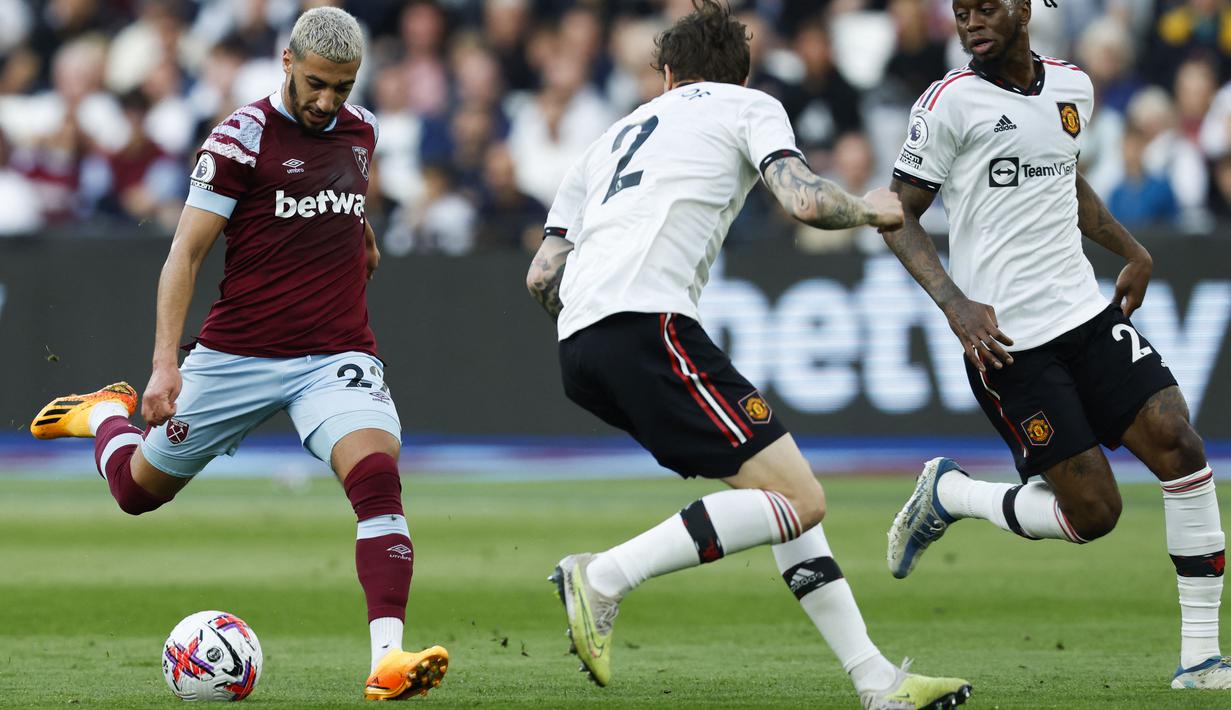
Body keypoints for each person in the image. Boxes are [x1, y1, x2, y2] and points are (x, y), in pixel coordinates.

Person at [525, 3, 972, 708]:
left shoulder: (606, 139)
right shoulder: (746, 105)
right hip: (650, 326)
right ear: (739, 72)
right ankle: (602, 576)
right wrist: (870, 209)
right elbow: (802, 201)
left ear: (667, 74)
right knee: (801, 498)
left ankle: (875, 682)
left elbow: (542, 274)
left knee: (778, 497)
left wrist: (596, 312)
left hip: (580, 345)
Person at [28, 7, 448, 701]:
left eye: (341, 88)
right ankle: (105, 415)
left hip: (334, 354)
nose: (326, 101)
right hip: (236, 356)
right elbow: (184, 253)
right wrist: (164, 365)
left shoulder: (363, 130)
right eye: (315, 83)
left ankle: (387, 659)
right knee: (136, 493)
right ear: (287, 61)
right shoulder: (238, 140)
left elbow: (340, 189)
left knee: (376, 476)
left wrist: (360, 233)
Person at [883, 0, 1228, 691]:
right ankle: (950, 494)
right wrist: (955, 306)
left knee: (1178, 442)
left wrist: (1131, 249)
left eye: (986, 6)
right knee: (1094, 514)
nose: (971, 20)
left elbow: (1065, 179)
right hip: (1007, 343)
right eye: (960, 11)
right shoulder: (947, 104)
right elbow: (897, 214)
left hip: (1084, 314)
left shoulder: (1073, 86)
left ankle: (1200, 659)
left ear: (1024, 7)